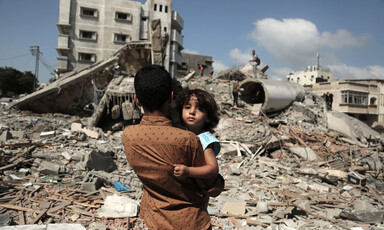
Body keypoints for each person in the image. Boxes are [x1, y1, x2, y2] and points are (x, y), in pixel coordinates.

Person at [122, 65, 223, 230]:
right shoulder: (188, 140)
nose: (192, 112)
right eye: (188, 107)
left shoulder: (129, 136)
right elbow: (212, 186)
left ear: (136, 100)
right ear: (171, 97)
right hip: (191, 221)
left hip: (155, 218)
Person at [173, 89, 220, 179]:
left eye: (199, 109)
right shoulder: (180, 134)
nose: (192, 112)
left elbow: (213, 169)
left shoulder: (204, 139)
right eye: (187, 107)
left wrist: (188, 171)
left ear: (208, 117)